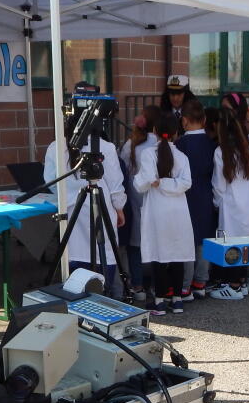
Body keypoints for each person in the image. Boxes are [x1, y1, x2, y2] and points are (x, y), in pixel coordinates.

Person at [44, 107, 126, 287]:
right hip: (101, 207)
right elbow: (115, 184)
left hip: (72, 209)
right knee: (103, 254)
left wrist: (68, 195)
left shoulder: (57, 147)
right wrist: (119, 207)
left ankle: (77, 306)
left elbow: (51, 180)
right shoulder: (106, 147)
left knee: (76, 258)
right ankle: (104, 300)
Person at [135, 114, 194, 315]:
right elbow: (186, 183)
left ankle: (159, 300)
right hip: (178, 209)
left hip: (157, 210)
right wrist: (169, 184)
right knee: (177, 253)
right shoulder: (182, 157)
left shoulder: (148, 154)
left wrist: (160, 183)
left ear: (154, 132)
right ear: (177, 133)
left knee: (159, 254)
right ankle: (177, 299)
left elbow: (145, 182)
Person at [207, 107, 249, 300]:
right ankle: (242, 282)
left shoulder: (221, 152)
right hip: (247, 205)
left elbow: (218, 185)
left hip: (230, 205)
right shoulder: (246, 149)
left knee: (230, 246)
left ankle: (233, 285)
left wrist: (216, 203)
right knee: (244, 245)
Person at [175, 99, 217, 299]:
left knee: (187, 239)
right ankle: (201, 281)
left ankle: (185, 286)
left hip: (185, 195)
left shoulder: (180, 144)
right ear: (205, 119)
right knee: (204, 238)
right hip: (207, 193)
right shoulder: (212, 143)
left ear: (184, 121)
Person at [119, 106, 160, 302]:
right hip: (158, 198)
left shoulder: (131, 145)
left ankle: (138, 285)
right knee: (157, 244)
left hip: (135, 197)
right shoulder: (161, 144)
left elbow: (123, 169)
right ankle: (156, 284)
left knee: (135, 246)